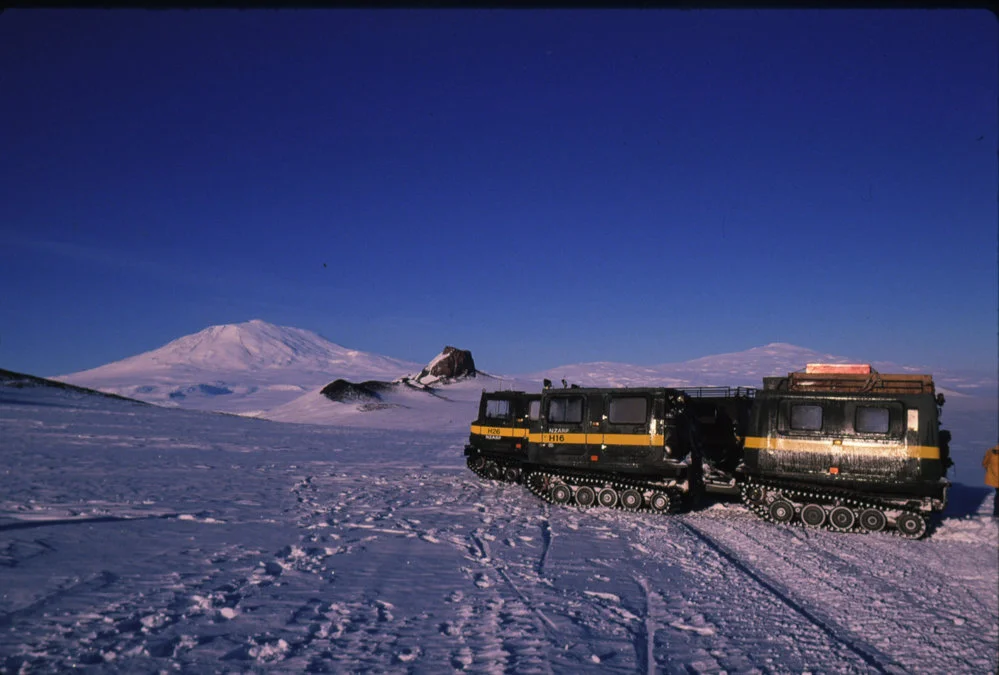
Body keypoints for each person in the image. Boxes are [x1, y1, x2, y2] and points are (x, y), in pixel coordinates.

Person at [983, 442, 999, 518]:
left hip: (995, 478)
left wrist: (990, 470)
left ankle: (996, 513)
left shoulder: (990, 451)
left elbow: (984, 463)